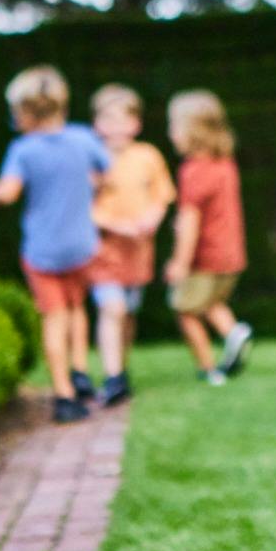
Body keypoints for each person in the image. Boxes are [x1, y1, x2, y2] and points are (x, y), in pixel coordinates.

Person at [0, 66, 108, 424]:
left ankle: (64, 396)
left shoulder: (23, 150)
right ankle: (80, 369)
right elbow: (105, 174)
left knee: (54, 318)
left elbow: (7, 194)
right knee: (76, 308)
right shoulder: (83, 139)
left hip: (44, 251)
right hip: (82, 244)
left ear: (24, 112)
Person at [85, 83, 176, 407]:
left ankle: (120, 369)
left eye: (124, 120)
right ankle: (112, 377)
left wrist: (151, 219)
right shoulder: (91, 159)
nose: (116, 128)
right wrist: (116, 225)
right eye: (108, 120)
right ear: (97, 123)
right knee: (113, 309)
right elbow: (82, 207)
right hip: (103, 252)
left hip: (138, 254)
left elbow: (162, 196)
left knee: (127, 315)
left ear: (136, 123)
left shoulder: (148, 156)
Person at [164, 89, 252, 385]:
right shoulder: (225, 165)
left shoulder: (194, 171)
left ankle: (208, 368)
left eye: (173, 126)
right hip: (230, 253)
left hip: (204, 256)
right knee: (211, 303)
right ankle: (234, 333)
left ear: (192, 131)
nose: (170, 134)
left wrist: (179, 262)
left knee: (185, 310)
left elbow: (190, 221)